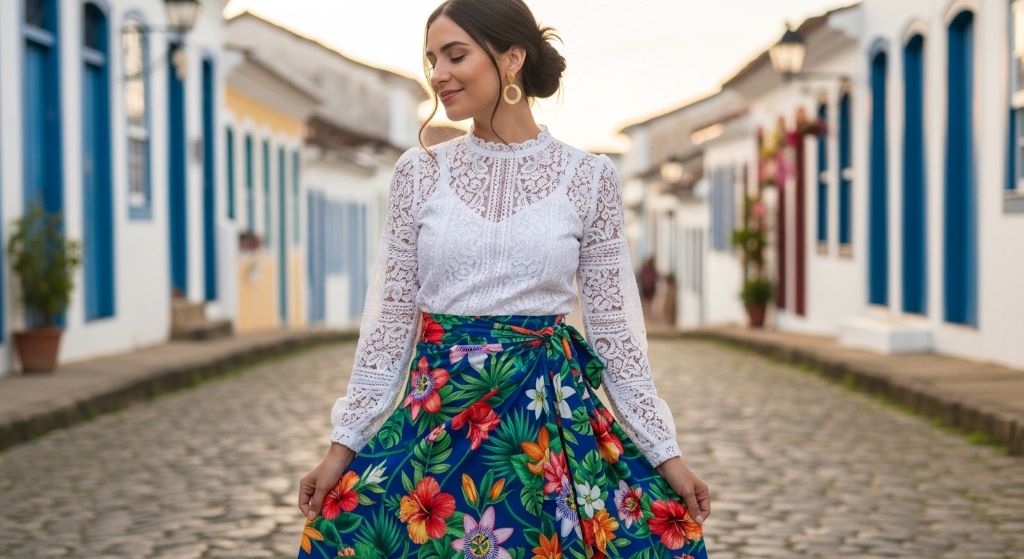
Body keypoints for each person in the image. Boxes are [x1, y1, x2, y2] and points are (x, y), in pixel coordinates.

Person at [296, 1, 711, 557]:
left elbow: (616, 334)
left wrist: (666, 454)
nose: (438, 73)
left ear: (511, 58)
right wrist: (342, 447)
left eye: (455, 54)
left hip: (545, 425)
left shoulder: (589, 179)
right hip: (436, 422)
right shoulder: (418, 174)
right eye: (431, 58)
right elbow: (390, 322)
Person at [639, 256, 658, 320]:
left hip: (648, 287)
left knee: (648, 301)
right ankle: (648, 313)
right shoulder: (649, 269)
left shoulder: (650, 269)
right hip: (647, 287)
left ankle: (647, 313)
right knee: (648, 301)